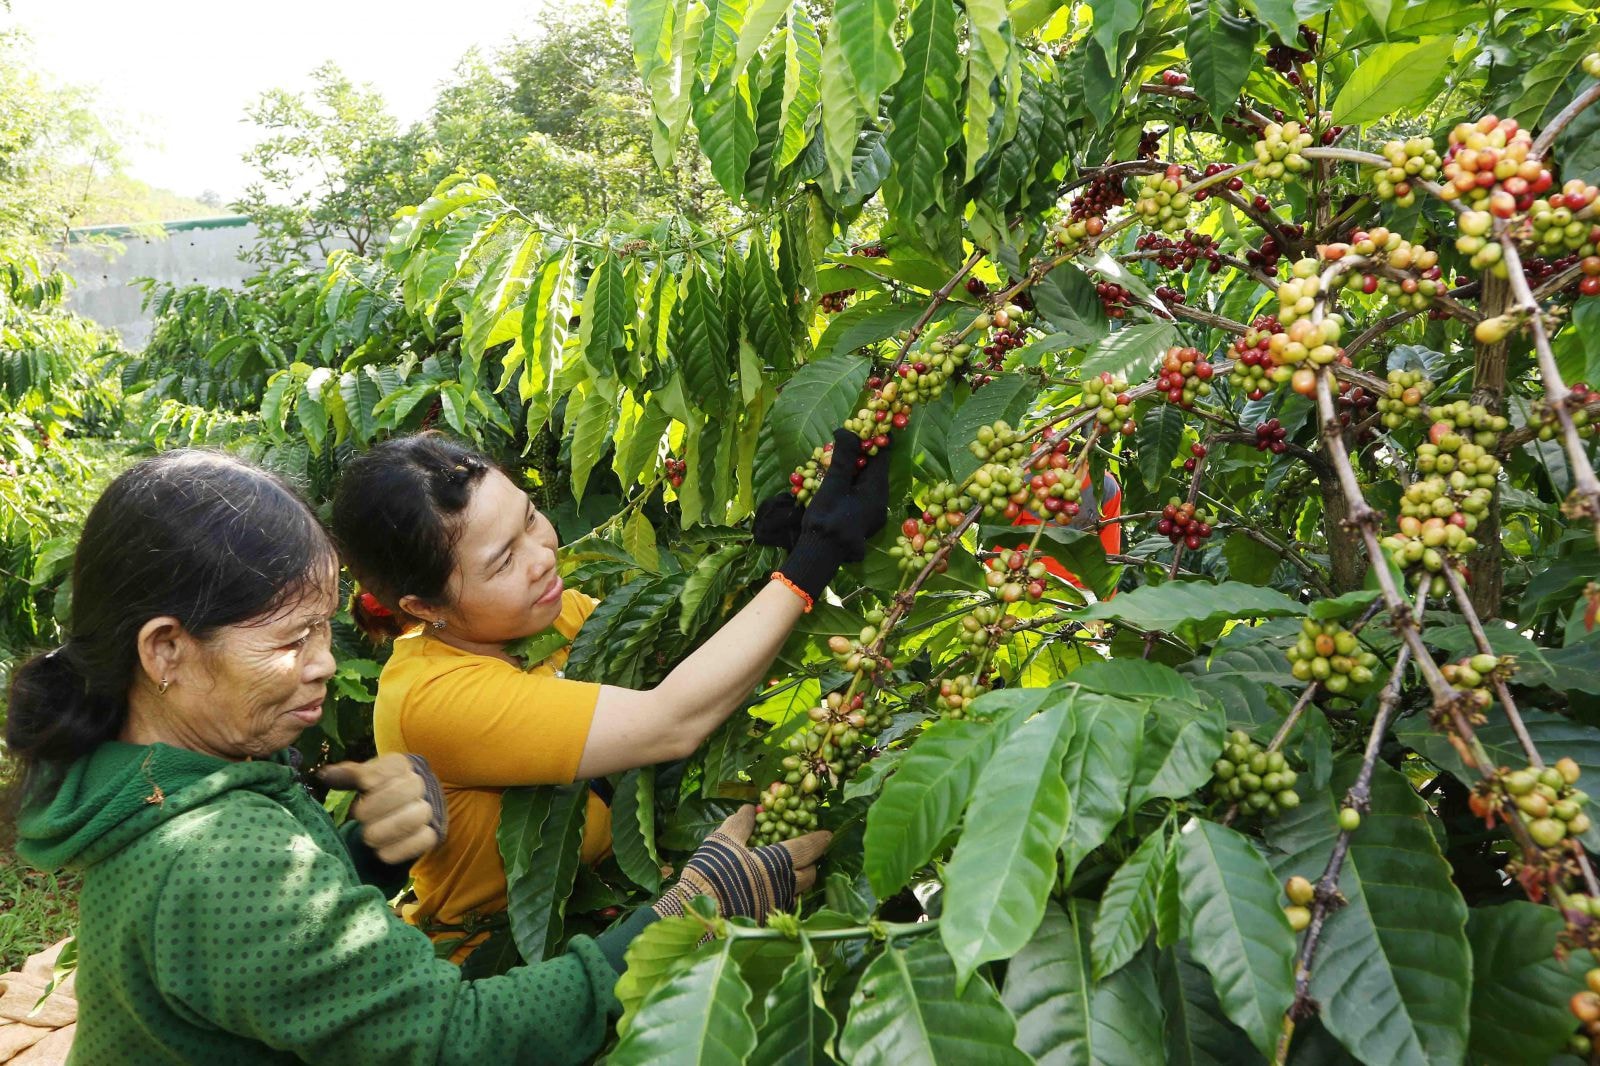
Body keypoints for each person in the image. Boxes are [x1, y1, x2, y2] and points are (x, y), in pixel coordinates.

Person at [4, 451, 825, 1065]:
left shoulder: (155, 785)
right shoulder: (223, 858)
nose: (326, 663)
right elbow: (455, 1041)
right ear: (168, 652)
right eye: (291, 640)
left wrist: (357, 855)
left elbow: (243, 964)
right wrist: (686, 914)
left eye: (324, 628)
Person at [329, 429, 889, 959]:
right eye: (503, 560)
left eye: (530, 517)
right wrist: (810, 563)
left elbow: (679, 665)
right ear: (423, 608)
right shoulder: (433, 700)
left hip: (621, 919)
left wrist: (762, 559)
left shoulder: (547, 619)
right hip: (512, 977)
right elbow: (670, 719)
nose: (542, 554)